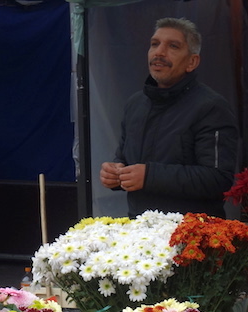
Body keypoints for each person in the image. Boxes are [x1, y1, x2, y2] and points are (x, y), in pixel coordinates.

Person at [99, 17, 239, 218]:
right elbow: (124, 159)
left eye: (173, 46)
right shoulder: (135, 104)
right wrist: (115, 172)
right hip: (139, 233)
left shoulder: (211, 107)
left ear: (192, 62)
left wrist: (149, 176)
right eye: (154, 44)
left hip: (193, 237)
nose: (159, 52)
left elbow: (218, 179)